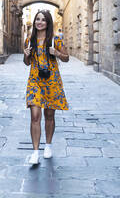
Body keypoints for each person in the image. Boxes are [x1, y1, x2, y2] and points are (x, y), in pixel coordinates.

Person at [23, 10, 69, 165]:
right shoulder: (29, 40)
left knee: (49, 116)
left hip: (52, 81)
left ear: (48, 23)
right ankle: (35, 152)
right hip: (35, 81)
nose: (39, 22)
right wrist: (26, 55)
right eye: (37, 19)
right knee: (35, 116)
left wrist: (56, 52)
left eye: (43, 20)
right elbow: (27, 63)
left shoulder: (55, 40)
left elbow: (66, 58)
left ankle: (47, 146)